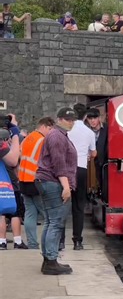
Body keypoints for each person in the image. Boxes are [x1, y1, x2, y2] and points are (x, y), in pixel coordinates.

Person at [35, 108, 78, 275]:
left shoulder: (57, 135)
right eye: (68, 119)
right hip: (53, 183)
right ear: (59, 119)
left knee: (50, 221)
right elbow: (59, 163)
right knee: (56, 222)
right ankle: (51, 261)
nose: (71, 122)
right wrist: (66, 186)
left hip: (47, 182)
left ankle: (48, 259)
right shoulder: (57, 136)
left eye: (73, 120)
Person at [19, 117, 55, 249]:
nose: (51, 133)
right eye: (50, 129)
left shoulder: (28, 138)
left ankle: (33, 244)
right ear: (45, 126)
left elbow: (19, 155)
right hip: (37, 181)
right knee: (48, 215)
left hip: (23, 180)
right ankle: (50, 244)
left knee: (30, 214)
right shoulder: (42, 141)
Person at [68, 104, 96, 250]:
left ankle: (60, 241)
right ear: (85, 116)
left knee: (63, 205)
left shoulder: (67, 130)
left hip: (66, 170)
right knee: (79, 206)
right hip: (81, 169)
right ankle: (77, 241)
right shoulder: (89, 132)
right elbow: (94, 153)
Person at [0, 114, 28, 250]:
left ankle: (2, 242)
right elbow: (14, 159)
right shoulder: (3, 141)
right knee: (15, 211)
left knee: (1, 212)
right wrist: (15, 133)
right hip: (8, 180)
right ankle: (17, 241)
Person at [86, 108, 108, 199]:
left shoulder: (107, 128)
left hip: (107, 160)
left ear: (99, 118)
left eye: (94, 118)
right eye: (90, 118)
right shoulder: (86, 130)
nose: (92, 121)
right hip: (95, 160)